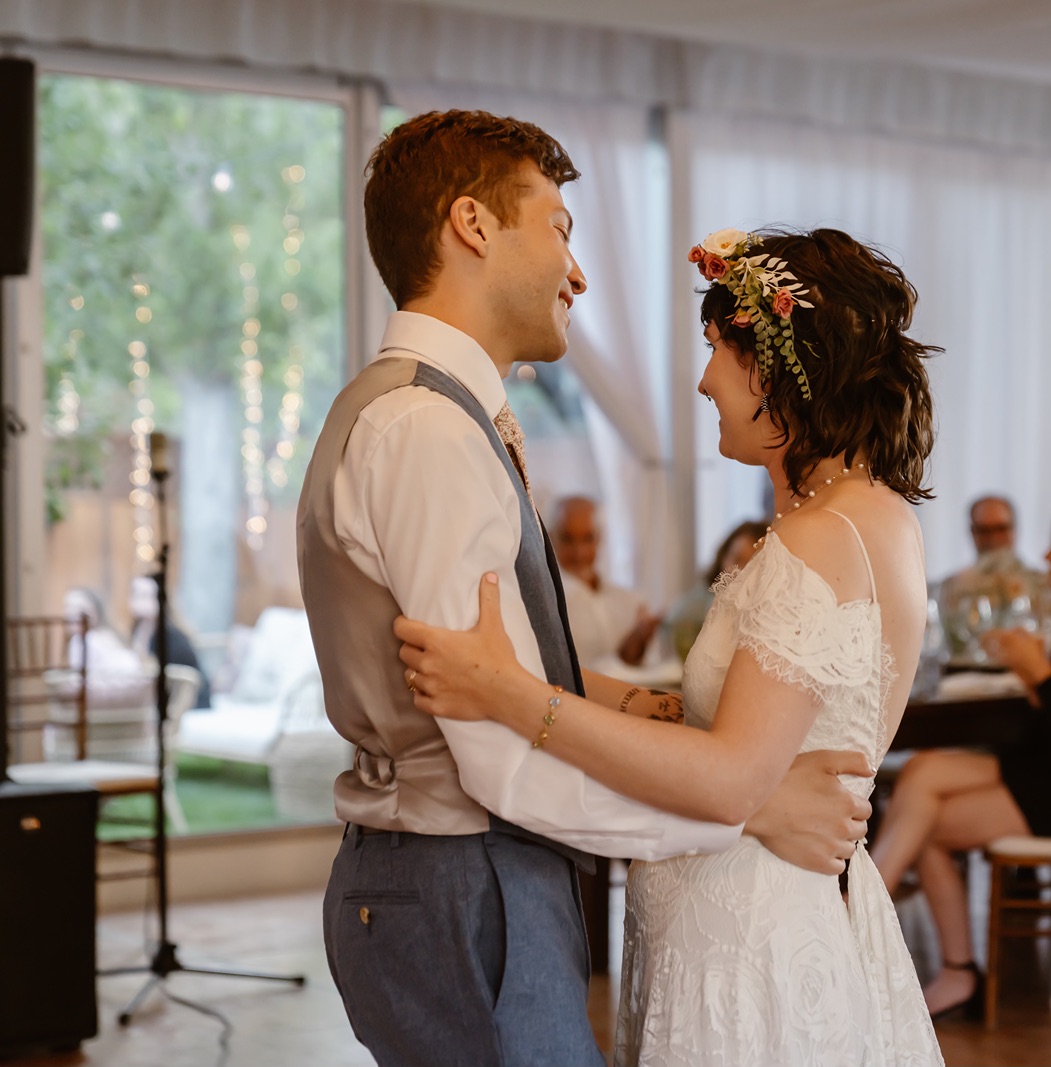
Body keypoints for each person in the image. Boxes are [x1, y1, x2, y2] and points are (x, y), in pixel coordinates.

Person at [296, 114, 871, 1067]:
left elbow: (521, 677)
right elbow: (495, 757)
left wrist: (673, 729)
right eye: (560, 227)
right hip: (462, 874)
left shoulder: (441, 415)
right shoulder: (427, 432)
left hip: (473, 876)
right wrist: (742, 810)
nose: (579, 271)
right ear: (473, 225)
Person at [396, 226, 943, 1065]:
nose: (704, 380)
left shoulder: (822, 537)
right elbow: (716, 724)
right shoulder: (865, 516)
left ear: (776, 368)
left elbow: (727, 778)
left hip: (750, 928)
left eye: (717, 350)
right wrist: (526, 666)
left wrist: (508, 693)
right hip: (764, 900)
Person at [868, 509, 1051, 1018]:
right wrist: (1034, 677)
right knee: (923, 770)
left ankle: (889, 933)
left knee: (929, 824)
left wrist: (1039, 673)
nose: (1047, 556)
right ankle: (871, 912)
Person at [550, 495, 662, 668]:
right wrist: (622, 657)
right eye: (568, 539)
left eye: (587, 538)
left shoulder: (630, 601)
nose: (579, 552)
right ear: (551, 539)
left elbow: (651, 666)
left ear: (599, 539)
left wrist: (637, 645)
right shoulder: (548, 605)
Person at [937, 495, 1051, 657]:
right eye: (984, 530)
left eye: (1001, 528)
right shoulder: (950, 587)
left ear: (1014, 529)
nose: (993, 539)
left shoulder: (1044, 583)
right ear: (972, 532)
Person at [664, 519, 766, 661]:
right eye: (737, 559)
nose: (741, 570)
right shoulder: (699, 602)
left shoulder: (765, 619)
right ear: (723, 557)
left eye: (752, 563)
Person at [128, 575, 212, 710]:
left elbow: (182, 681)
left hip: (188, 703)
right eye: (135, 594)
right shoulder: (139, 631)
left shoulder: (170, 637)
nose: (138, 601)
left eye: (145, 595)